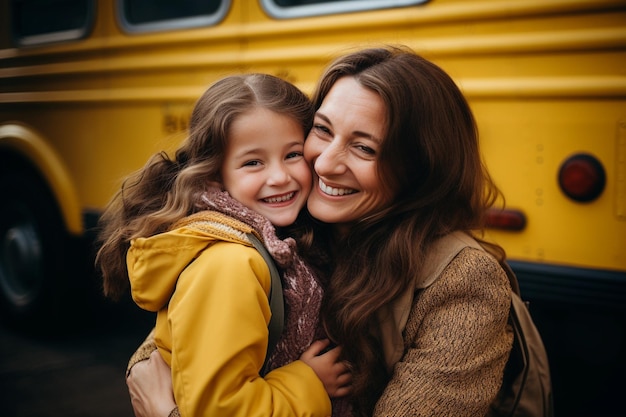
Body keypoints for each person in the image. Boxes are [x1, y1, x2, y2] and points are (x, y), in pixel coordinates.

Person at [126, 45, 514, 417]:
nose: (325, 163)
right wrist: (142, 364)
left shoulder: (463, 283)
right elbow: (179, 342)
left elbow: (171, 390)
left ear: (419, 169)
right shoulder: (288, 229)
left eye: (364, 148)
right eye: (323, 131)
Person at [95, 73, 352, 417]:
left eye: (292, 154)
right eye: (253, 162)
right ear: (215, 174)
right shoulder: (231, 265)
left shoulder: (283, 241)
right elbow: (222, 408)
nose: (279, 177)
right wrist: (309, 382)